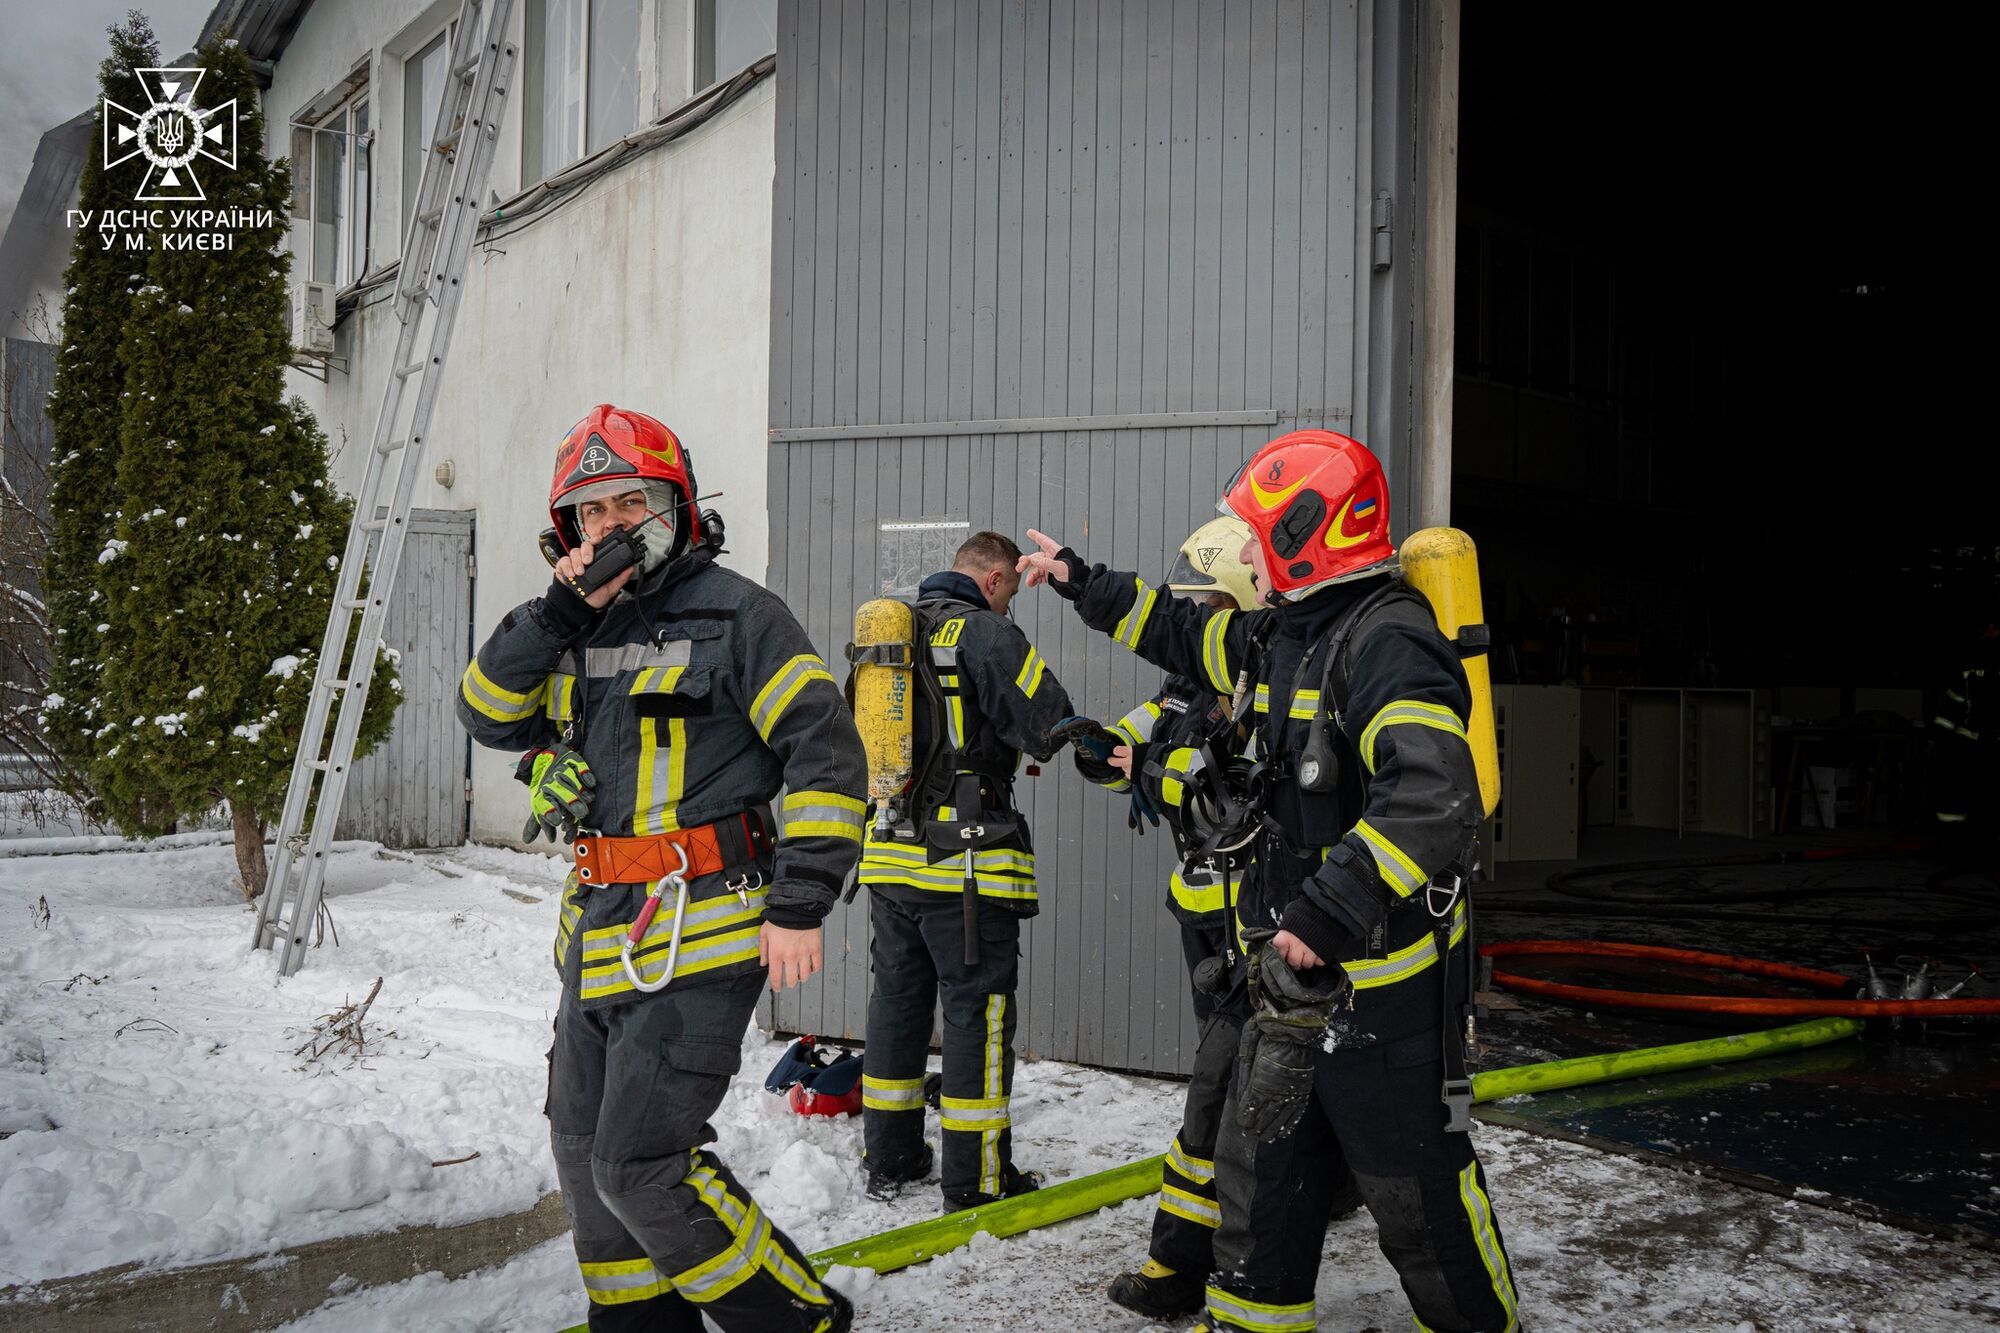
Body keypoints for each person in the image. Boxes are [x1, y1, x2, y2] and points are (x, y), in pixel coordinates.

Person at [1020, 430, 1520, 1333]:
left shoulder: (1390, 641)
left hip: (1381, 998)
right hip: (1284, 989)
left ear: (1307, 531)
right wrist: (1079, 580)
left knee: (1420, 1208)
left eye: (1257, 532)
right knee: (1260, 1200)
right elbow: (1182, 629)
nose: (1246, 549)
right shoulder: (1284, 635)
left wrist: (1327, 913)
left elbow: (1434, 793)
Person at [457, 404, 864, 1333]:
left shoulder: (743, 615)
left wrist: (802, 902)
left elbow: (826, 753)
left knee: (638, 1163)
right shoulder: (568, 625)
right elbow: (485, 709)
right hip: (597, 927)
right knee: (580, 1153)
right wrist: (558, 625)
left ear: (675, 504)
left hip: (706, 922)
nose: (608, 525)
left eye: (628, 501)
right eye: (589, 511)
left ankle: (797, 1321)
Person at [858, 531, 1079, 1209]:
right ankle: (977, 1179)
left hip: (889, 857)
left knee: (896, 1005)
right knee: (975, 1013)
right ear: (993, 578)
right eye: (1011, 588)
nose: (1011, 601)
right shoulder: (986, 633)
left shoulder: (890, 639)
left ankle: (891, 1156)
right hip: (966, 865)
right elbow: (1049, 720)